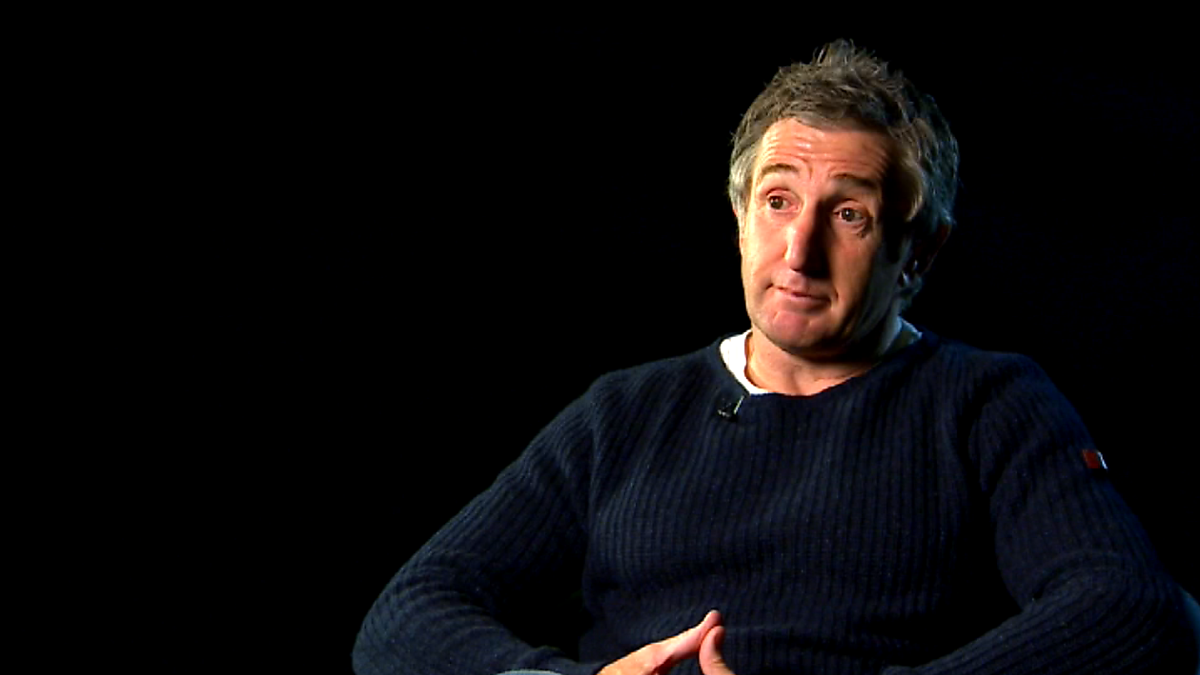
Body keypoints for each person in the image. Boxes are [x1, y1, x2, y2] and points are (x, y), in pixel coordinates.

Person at [353, 41, 1197, 675]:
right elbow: (407, 615)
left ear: (919, 253)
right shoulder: (625, 414)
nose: (799, 251)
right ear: (739, 219)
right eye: (778, 200)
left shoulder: (988, 404)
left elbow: (1138, 611)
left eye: (849, 214)